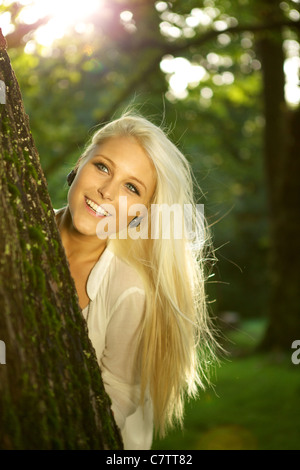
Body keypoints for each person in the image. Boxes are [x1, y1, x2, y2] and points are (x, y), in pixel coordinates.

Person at [55, 113, 217, 450]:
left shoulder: (131, 290)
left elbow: (112, 401)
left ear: (142, 213)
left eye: (132, 188)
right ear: (81, 162)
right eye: (102, 166)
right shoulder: (19, 229)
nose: (107, 192)